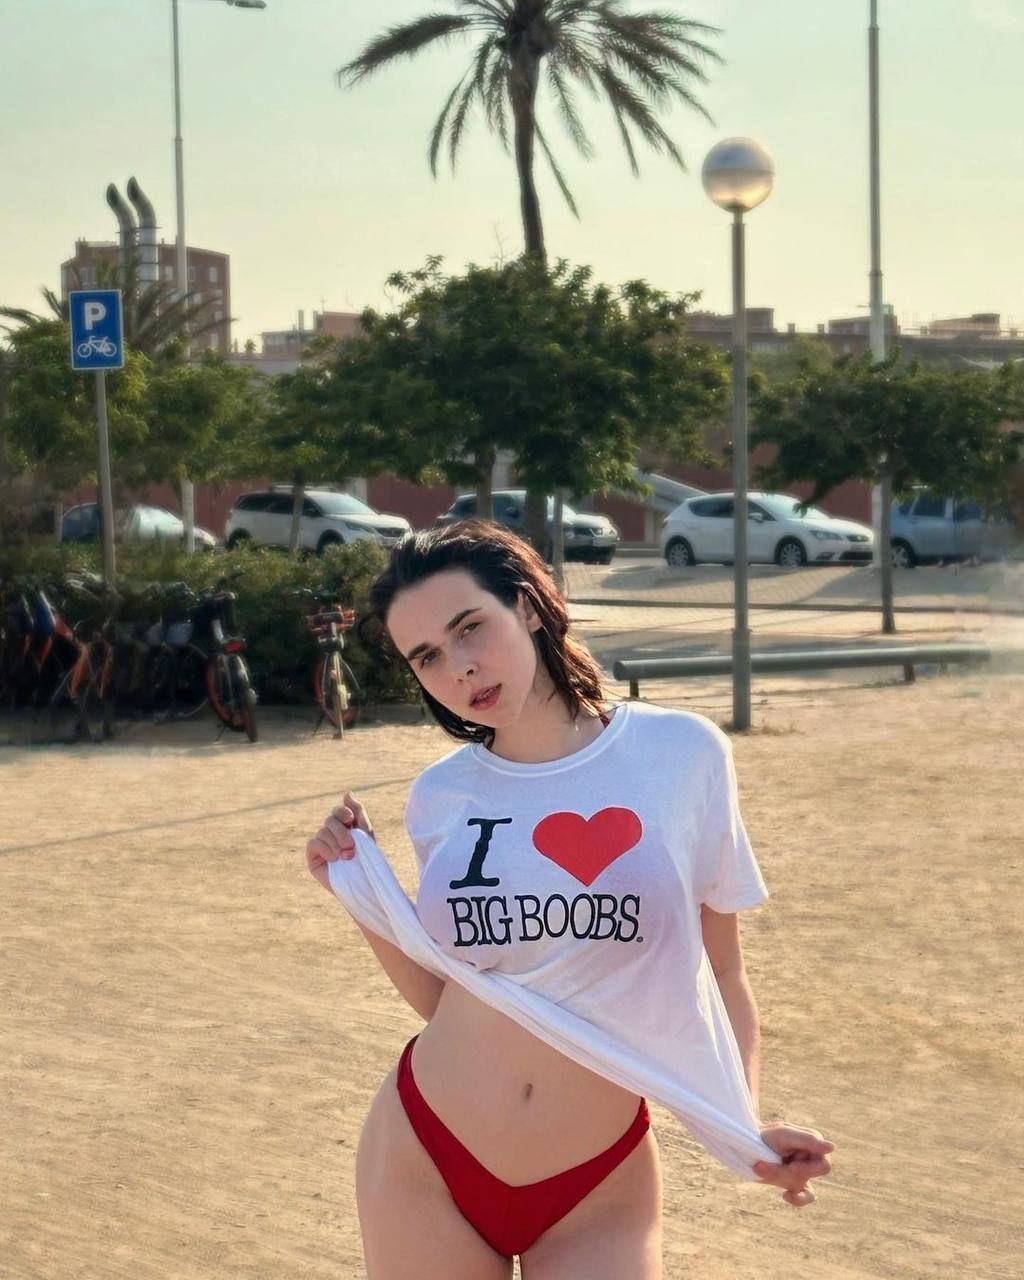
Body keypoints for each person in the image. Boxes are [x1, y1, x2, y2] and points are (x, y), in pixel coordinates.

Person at [306, 521, 834, 1279]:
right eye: (427, 657)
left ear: (526, 605)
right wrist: (359, 894)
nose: (459, 667)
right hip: (426, 1157)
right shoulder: (441, 797)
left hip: (598, 1182)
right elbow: (455, 994)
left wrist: (743, 1127)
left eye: (469, 627)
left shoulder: (682, 754)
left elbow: (722, 973)